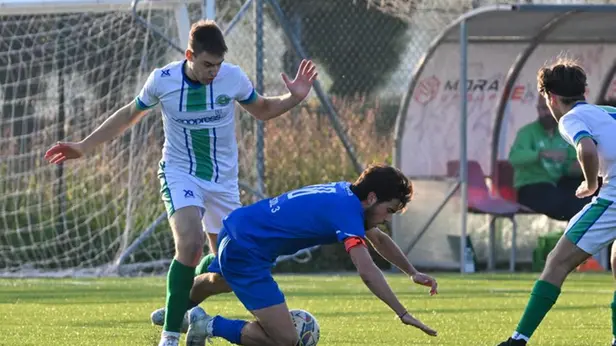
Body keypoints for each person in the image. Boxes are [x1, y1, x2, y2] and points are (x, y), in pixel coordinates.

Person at [43, 19, 318, 346]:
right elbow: (128, 114)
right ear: (189, 54)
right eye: (206, 65)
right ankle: (171, 335)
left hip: (223, 183)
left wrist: (293, 98)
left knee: (228, 272)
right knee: (189, 243)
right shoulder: (163, 80)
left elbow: (262, 109)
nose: (213, 72)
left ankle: (182, 305)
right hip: (179, 172)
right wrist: (83, 146)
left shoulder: (232, 78)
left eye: (217, 65)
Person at [180, 164, 439, 346]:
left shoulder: (345, 194)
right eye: (389, 210)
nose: (387, 219)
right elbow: (367, 271)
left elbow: (379, 239)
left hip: (238, 226)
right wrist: (402, 313)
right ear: (372, 198)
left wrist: (412, 272)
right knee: (285, 339)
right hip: (248, 251)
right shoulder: (347, 213)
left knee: (219, 281)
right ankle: (208, 325)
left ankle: (175, 311)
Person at [496, 59, 616, 346]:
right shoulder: (608, 112)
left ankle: (518, 340)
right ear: (584, 90)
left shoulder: (570, 118)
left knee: (557, 261)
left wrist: (589, 184)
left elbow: (585, 147)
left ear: (549, 97)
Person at [508, 96, 591, 221]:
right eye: (542, 109)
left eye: (549, 109)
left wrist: (581, 166)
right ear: (537, 110)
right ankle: (574, 234)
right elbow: (514, 158)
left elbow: (570, 167)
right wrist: (540, 154)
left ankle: (586, 232)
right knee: (563, 202)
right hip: (532, 186)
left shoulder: (565, 134)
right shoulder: (527, 132)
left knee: (586, 197)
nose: (546, 113)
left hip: (558, 185)